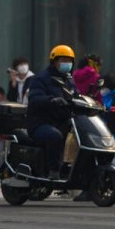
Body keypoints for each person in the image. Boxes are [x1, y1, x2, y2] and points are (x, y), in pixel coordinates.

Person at [27, 45, 77, 180]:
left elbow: (76, 97)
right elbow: (34, 98)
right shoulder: (41, 78)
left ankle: (72, 168)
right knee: (54, 136)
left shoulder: (69, 80)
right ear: (54, 62)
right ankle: (54, 170)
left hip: (61, 121)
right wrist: (51, 100)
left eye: (69, 61)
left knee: (80, 135)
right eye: (63, 60)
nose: (67, 64)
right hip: (40, 123)